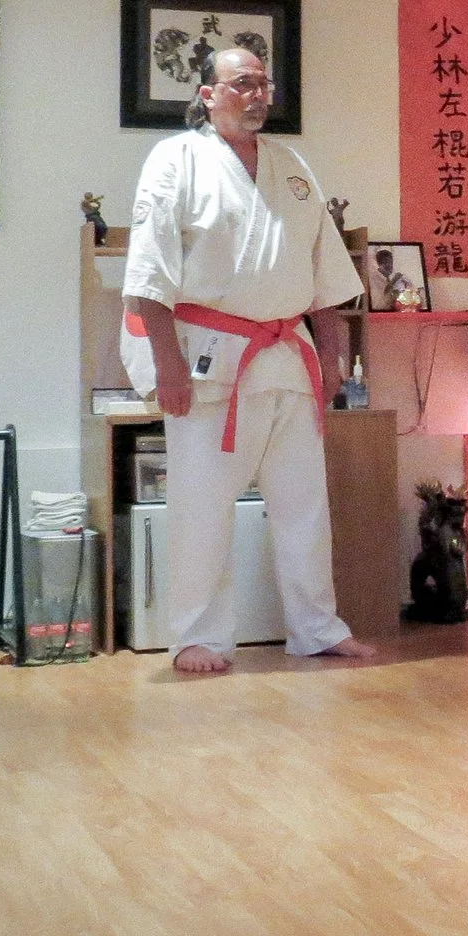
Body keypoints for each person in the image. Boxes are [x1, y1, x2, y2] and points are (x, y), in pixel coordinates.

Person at [122, 46, 373, 675]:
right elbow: (148, 276)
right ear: (208, 94)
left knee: (304, 507)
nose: (257, 94)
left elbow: (325, 275)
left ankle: (316, 628)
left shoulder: (292, 167)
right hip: (208, 359)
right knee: (203, 508)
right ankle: (197, 637)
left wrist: (334, 358)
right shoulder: (175, 159)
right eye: (241, 84)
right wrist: (166, 366)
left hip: (289, 357)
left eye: (264, 83)